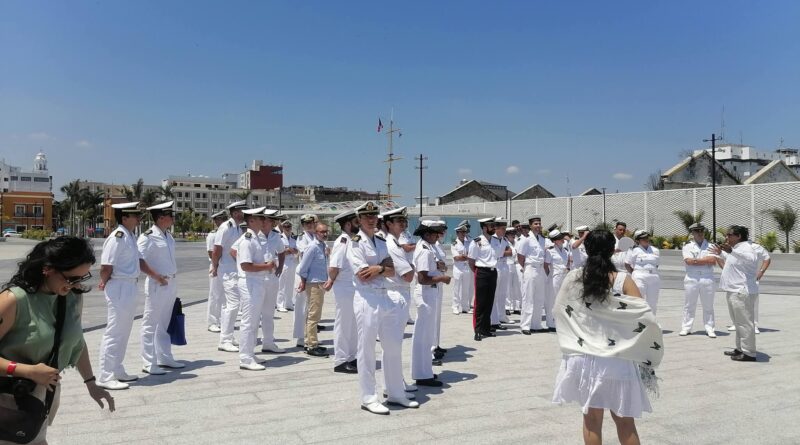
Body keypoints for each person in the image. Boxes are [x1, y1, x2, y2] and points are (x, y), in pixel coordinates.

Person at [552, 230, 663, 445]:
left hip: (583, 357)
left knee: (591, 420)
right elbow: (644, 317)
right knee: (624, 421)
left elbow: (559, 310)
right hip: (616, 359)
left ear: (586, 249)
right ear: (613, 251)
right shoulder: (623, 280)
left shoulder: (573, 277)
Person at [0, 237, 115, 443]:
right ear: (48, 269)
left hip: (41, 399)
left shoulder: (71, 297)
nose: (76, 285)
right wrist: (27, 371)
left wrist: (91, 383)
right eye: (71, 278)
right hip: (8, 400)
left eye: (82, 277)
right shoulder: (13, 300)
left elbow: (76, 342)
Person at [347, 202, 416, 414]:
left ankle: (395, 392)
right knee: (367, 349)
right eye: (367, 216)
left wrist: (378, 268)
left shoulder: (380, 241)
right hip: (367, 299)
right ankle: (368, 397)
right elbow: (363, 274)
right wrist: (380, 268)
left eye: (374, 216)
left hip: (385, 296)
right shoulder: (355, 243)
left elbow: (391, 270)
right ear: (359, 219)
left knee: (393, 346)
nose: (371, 219)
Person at [97, 202, 145, 390]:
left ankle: (117, 369)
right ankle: (105, 375)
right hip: (119, 286)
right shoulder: (117, 237)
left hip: (130, 285)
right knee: (115, 331)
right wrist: (105, 281)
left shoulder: (130, 236)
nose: (138, 219)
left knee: (124, 331)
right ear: (124, 218)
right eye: (135, 216)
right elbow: (106, 266)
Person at [138, 201, 184, 375]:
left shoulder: (168, 235)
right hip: (157, 283)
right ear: (161, 217)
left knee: (164, 322)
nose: (173, 218)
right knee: (150, 323)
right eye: (170, 216)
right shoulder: (148, 236)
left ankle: (164, 356)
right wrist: (155, 276)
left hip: (171, 283)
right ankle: (148, 362)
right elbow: (139, 260)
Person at [711, 225, 759, 362]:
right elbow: (734, 262)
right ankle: (740, 348)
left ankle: (749, 353)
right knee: (738, 322)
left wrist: (732, 251)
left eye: (729, 235)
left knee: (745, 323)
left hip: (741, 291)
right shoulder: (737, 249)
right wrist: (721, 253)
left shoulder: (747, 248)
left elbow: (751, 259)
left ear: (739, 236)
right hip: (733, 290)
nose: (726, 237)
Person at [411, 221, 450, 388]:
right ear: (427, 234)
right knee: (424, 336)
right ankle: (421, 374)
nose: (438, 236)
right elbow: (422, 278)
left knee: (426, 335)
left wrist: (439, 266)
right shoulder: (425, 251)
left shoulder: (427, 247)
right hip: (426, 292)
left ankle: (424, 371)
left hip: (429, 292)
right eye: (436, 233)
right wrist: (442, 278)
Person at [382, 207, 419, 387]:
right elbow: (408, 275)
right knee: (393, 344)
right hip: (396, 292)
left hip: (400, 291)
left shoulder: (395, 242)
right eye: (399, 222)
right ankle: (393, 386)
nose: (403, 225)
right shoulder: (391, 244)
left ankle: (397, 383)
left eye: (404, 221)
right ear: (389, 224)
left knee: (395, 344)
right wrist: (411, 266)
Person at [234, 207, 273, 371]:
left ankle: (250, 353)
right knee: (248, 321)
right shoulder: (248, 239)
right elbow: (245, 265)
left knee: (254, 321)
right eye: (260, 218)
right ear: (251, 221)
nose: (264, 221)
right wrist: (267, 266)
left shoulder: (255, 238)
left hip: (257, 281)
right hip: (250, 282)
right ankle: (245, 358)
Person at [213, 200, 247, 353]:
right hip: (227, 271)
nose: (244, 214)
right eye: (242, 211)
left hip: (235, 270)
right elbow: (217, 248)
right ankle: (225, 340)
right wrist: (215, 266)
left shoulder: (238, 228)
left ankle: (228, 336)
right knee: (233, 304)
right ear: (234, 213)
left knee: (231, 304)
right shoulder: (225, 227)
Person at [329, 209, 359, 373]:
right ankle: (340, 360)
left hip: (353, 286)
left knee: (353, 324)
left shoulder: (352, 240)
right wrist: (332, 281)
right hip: (344, 287)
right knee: (343, 323)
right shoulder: (342, 241)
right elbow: (333, 267)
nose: (359, 224)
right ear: (347, 224)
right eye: (356, 222)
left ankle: (351, 357)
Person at [297, 222, 331, 358]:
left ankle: (309, 342)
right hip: (314, 284)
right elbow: (302, 267)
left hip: (320, 283)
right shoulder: (312, 247)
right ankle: (312, 345)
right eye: (322, 232)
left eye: (326, 231)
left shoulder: (322, 246)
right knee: (314, 315)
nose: (325, 234)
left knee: (313, 314)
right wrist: (303, 282)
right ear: (316, 233)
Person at [680, 223, 717, 337]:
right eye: (697, 231)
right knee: (689, 304)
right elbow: (688, 261)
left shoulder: (710, 246)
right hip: (692, 278)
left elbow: (712, 261)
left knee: (708, 305)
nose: (700, 233)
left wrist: (696, 261)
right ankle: (686, 327)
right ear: (693, 233)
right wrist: (704, 260)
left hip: (707, 277)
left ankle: (709, 328)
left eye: (702, 231)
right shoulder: (687, 246)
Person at [257, 210, 286, 354]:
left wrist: (280, 266)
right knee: (254, 313)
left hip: (272, 277)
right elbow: (234, 251)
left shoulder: (276, 236)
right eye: (261, 219)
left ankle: (268, 342)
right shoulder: (253, 235)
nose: (262, 222)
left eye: (265, 220)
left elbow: (281, 251)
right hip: (257, 278)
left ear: (271, 223)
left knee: (269, 312)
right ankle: (249, 346)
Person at [468, 217, 501, 341]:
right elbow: (471, 261)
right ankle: (477, 330)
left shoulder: (496, 241)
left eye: (494, 225)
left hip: (493, 272)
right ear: (484, 227)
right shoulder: (476, 241)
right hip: (481, 272)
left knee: (489, 302)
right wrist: (478, 272)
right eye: (491, 226)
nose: (493, 228)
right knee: (480, 303)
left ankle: (485, 329)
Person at [517, 215, 550, 335]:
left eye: (539, 223)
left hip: (540, 270)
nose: (538, 226)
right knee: (528, 298)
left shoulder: (542, 239)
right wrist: (526, 267)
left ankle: (536, 324)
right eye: (535, 224)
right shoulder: (526, 239)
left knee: (539, 298)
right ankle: (525, 325)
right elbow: (520, 257)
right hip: (530, 269)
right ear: (530, 226)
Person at [728, 242, 770, 334]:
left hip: (750, 281)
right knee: (733, 303)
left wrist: (761, 271)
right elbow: (720, 257)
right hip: (735, 281)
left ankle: (754, 325)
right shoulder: (730, 246)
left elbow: (767, 258)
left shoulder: (754, 247)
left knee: (752, 305)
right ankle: (735, 323)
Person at [292, 214, 318, 349]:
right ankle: (300, 337)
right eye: (306, 223)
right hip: (302, 274)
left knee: (311, 307)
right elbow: (306, 251)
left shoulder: (316, 236)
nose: (309, 225)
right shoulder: (302, 237)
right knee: (301, 307)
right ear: (303, 225)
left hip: (313, 275)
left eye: (311, 223)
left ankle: (309, 334)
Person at [625, 231, 661, 316]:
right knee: (638, 300)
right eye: (643, 238)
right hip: (639, 276)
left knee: (653, 302)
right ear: (638, 240)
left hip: (653, 277)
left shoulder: (655, 250)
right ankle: (638, 322)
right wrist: (634, 273)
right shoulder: (633, 250)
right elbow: (627, 264)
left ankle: (652, 323)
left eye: (647, 238)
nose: (646, 239)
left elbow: (656, 264)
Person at [206, 211, 227, 332]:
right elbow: (211, 252)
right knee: (214, 295)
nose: (223, 221)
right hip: (216, 265)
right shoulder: (213, 235)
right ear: (216, 221)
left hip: (225, 267)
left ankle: (222, 320)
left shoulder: (226, 232)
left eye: (224, 218)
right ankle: (212, 322)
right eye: (221, 219)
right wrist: (216, 266)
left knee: (224, 296)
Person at [547, 229, 572, 331]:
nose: (562, 239)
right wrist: (549, 277)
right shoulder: (550, 251)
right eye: (560, 238)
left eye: (562, 237)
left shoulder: (565, 251)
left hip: (564, 277)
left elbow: (567, 263)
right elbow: (546, 265)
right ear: (555, 241)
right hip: (555, 277)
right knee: (553, 300)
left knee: (563, 300)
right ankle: (552, 322)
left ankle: (561, 322)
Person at [490, 218, 512, 331]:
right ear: (496, 228)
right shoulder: (491, 239)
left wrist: (501, 253)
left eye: (505, 228)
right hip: (496, 266)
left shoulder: (504, 239)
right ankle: (493, 320)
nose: (504, 230)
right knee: (494, 295)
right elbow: (493, 253)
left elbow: (511, 252)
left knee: (503, 294)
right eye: (502, 228)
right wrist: (502, 253)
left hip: (504, 266)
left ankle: (501, 316)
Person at [451, 222, 473, 315]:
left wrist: (465, 256)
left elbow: (472, 255)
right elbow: (456, 257)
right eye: (461, 232)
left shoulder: (469, 242)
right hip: (458, 268)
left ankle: (465, 307)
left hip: (467, 267)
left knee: (466, 288)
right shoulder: (454, 243)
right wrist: (466, 256)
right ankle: (455, 307)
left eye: (464, 232)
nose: (463, 234)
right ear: (457, 233)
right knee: (457, 288)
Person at [277, 220, 298, 313]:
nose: (287, 228)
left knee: (290, 284)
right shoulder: (280, 238)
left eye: (289, 226)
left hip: (292, 263)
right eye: (285, 227)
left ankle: (288, 303)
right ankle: (280, 304)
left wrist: (289, 250)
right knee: (281, 285)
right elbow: (279, 252)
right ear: (282, 228)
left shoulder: (293, 239)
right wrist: (290, 250)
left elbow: (297, 251)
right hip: (283, 263)